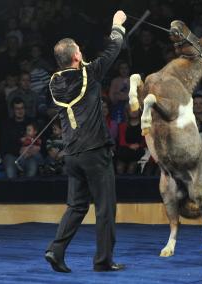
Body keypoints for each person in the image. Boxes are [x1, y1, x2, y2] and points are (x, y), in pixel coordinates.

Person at [45, 10, 127, 273]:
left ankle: (55, 250)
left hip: (72, 154)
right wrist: (117, 26)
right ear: (77, 56)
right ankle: (103, 260)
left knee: (76, 205)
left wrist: (80, 62)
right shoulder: (88, 74)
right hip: (94, 151)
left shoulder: (55, 82)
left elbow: (81, 67)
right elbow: (113, 49)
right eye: (79, 50)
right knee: (105, 207)